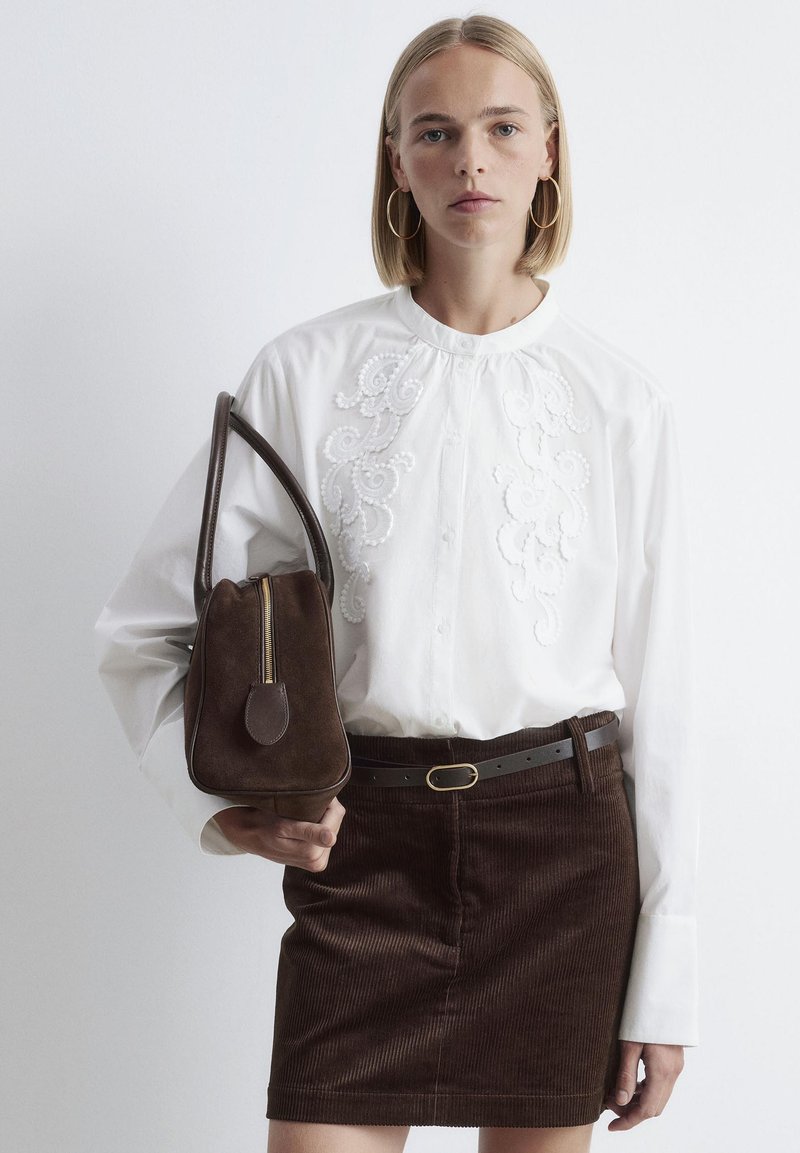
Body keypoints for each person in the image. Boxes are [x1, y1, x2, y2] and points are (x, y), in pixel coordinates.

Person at [94, 13, 699, 1153]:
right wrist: (221, 807)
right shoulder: (303, 374)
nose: (469, 159)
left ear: (547, 151)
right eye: (434, 131)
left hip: (563, 859)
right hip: (362, 847)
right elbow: (141, 628)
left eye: (500, 127)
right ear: (395, 159)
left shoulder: (620, 400)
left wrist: (664, 978)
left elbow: (664, 700)